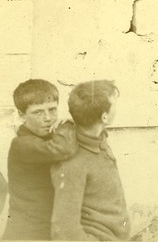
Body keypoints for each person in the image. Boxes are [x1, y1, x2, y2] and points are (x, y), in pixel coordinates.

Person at [51, 80, 129, 241]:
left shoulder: (96, 136)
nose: (117, 108)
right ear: (104, 117)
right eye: (114, 105)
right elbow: (64, 227)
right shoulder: (72, 162)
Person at [2, 79, 77, 240]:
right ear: (22, 116)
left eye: (52, 110)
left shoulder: (49, 138)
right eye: (38, 112)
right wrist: (66, 126)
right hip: (26, 234)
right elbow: (64, 149)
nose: (48, 118)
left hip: (47, 231)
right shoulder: (22, 144)